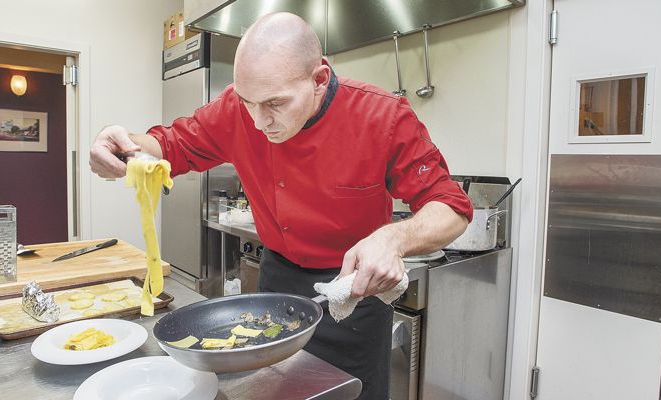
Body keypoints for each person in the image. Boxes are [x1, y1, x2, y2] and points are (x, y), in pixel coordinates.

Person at [90, 12, 471, 399]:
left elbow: (452, 207)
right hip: (278, 286)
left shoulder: (382, 116)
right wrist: (123, 148)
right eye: (248, 102)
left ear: (319, 80)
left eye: (275, 104)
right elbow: (173, 145)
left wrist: (393, 239)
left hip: (355, 294)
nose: (258, 121)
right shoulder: (238, 112)